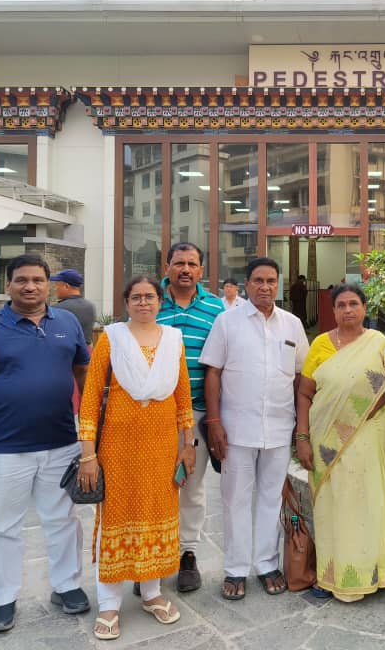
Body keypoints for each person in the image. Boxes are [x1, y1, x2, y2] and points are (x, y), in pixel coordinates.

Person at [0, 253, 91, 633]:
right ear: (8, 285)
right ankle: (2, 597)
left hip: (60, 441)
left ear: (49, 285)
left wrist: (91, 430)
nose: (30, 287)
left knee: (62, 518)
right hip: (1, 446)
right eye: (22, 280)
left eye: (38, 280)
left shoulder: (67, 322)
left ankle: (67, 585)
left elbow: (83, 372)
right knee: (1, 524)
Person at [77, 275, 195, 639]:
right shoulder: (112, 338)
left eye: (150, 297)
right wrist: (87, 454)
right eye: (136, 297)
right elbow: (90, 397)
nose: (144, 302)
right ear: (126, 302)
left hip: (162, 446)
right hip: (118, 446)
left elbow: (183, 395)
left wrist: (188, 443)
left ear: (160, 301)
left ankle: (152, 593)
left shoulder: (173, 338)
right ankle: (109, 603)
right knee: (117, 515)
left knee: (157, 513)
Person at [295, 284, 385, 603]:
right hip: (325, 437)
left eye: (354, 304)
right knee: (331, 503)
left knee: (368, 500)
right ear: (333, 310)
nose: (348, 310)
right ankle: (331, 575)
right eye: (341, 305)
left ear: (364, 308)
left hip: (369, 433)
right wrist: (302, 436)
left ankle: (373, 571)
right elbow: (305, 393)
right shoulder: (320, 344)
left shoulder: (379, 343)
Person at [200, 256, 308, 600]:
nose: (265, 287)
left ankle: (266, 563)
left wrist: (300, 425)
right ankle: (235, 568)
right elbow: (213, 372)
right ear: (246, 285)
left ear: (278, 285)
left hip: (279, 426)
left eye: (271, 281)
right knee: (235, 499)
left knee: (271, 497)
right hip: (236, 428)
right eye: (258, 281)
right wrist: (214, 422)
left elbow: (301, 377)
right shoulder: (227, 322)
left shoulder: (292, 324)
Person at [155, 242, 224, 593]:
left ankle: (187, 554)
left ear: (201, 270)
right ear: (166, 266)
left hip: (197, 412)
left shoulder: (216, 309)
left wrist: (216, 417)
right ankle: (153, 557)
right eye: (179, 263)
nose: (185, 269)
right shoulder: (150, 302)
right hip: (154, 414)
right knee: (154, 487)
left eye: (192, 264)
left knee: (192, 487)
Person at [51, 268, 96, 346]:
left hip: (65, 351)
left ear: (66, 286)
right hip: (86, 351)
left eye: (57, 285)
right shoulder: (90, 306)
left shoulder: (57, 309)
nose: (56, 289)